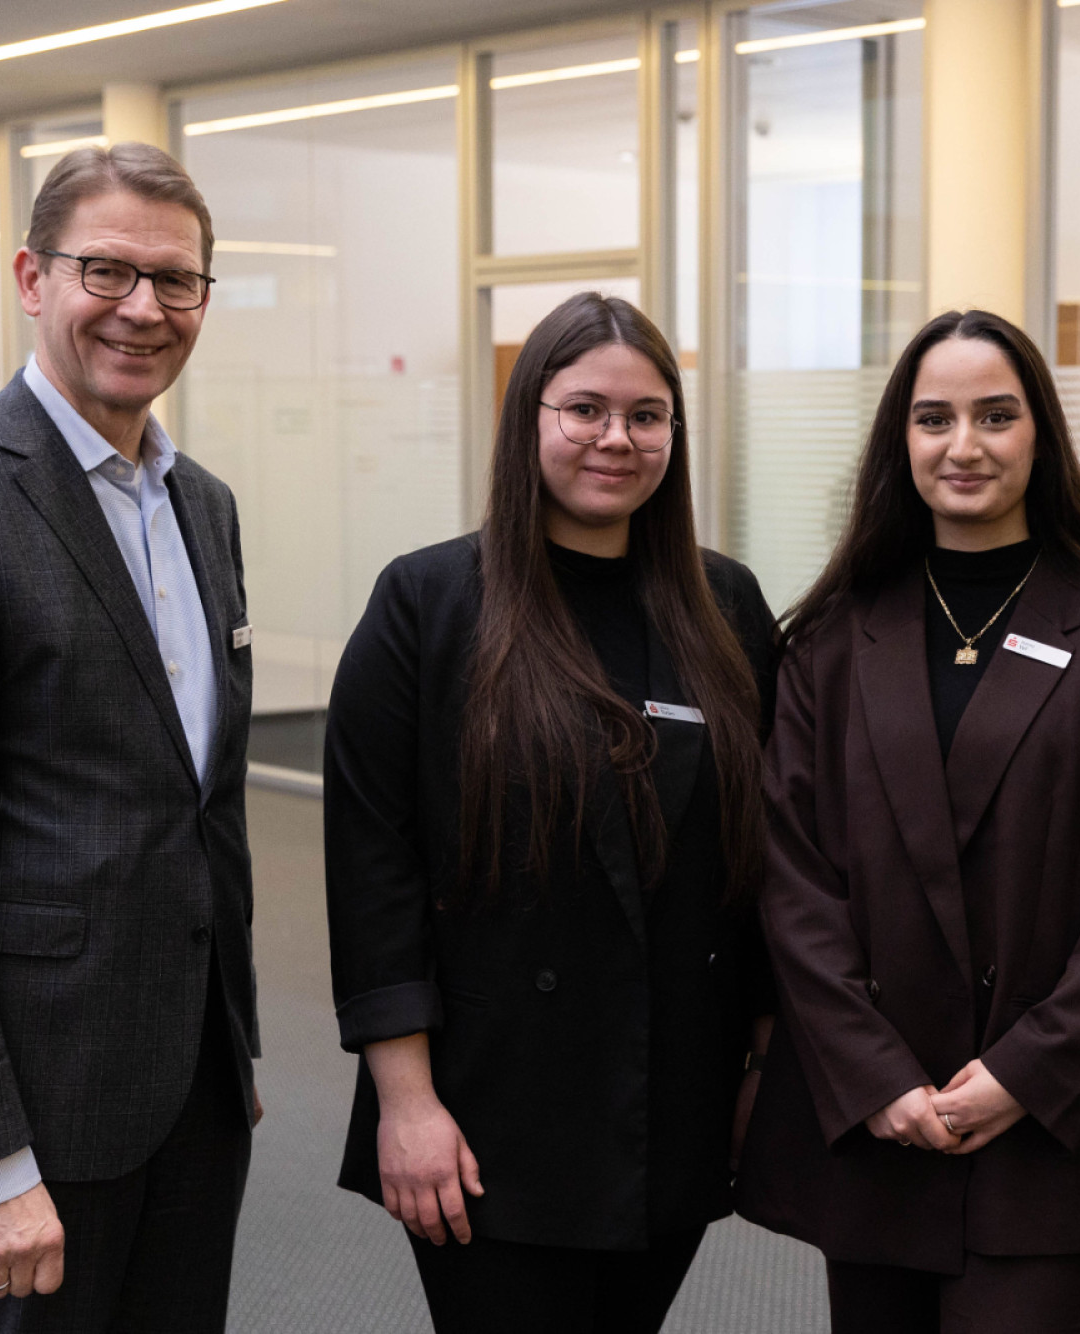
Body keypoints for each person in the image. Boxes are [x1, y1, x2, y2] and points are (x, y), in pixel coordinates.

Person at [0, 143, 260, 1332]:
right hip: (38, 1103)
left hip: (189, 1075)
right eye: (105, 270)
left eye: (176, 280)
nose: (142, 308)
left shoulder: (200, 503)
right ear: (31, 276)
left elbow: (195, 803)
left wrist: (230, 1044)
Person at [735, 309, 1080, 1333]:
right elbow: (791, 874)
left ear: (1039, 432)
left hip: (1040, 1113)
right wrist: (875, 1074)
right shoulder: (827, 639)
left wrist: (1020, 1075)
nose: (964, 445)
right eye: (933, 418)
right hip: (873, 1113)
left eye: (995, 414)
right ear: (899, 443)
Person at [323, 292, 778, 1334]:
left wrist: (760, 1064)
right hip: (487, 1107)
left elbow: (756, 862)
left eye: (647, 414)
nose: (616, 438)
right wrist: (406, 1102)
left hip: (672, 1092)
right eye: (583, 409)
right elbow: (372, 863)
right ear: (528, 418)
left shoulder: (724, 608)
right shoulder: (429, 603)